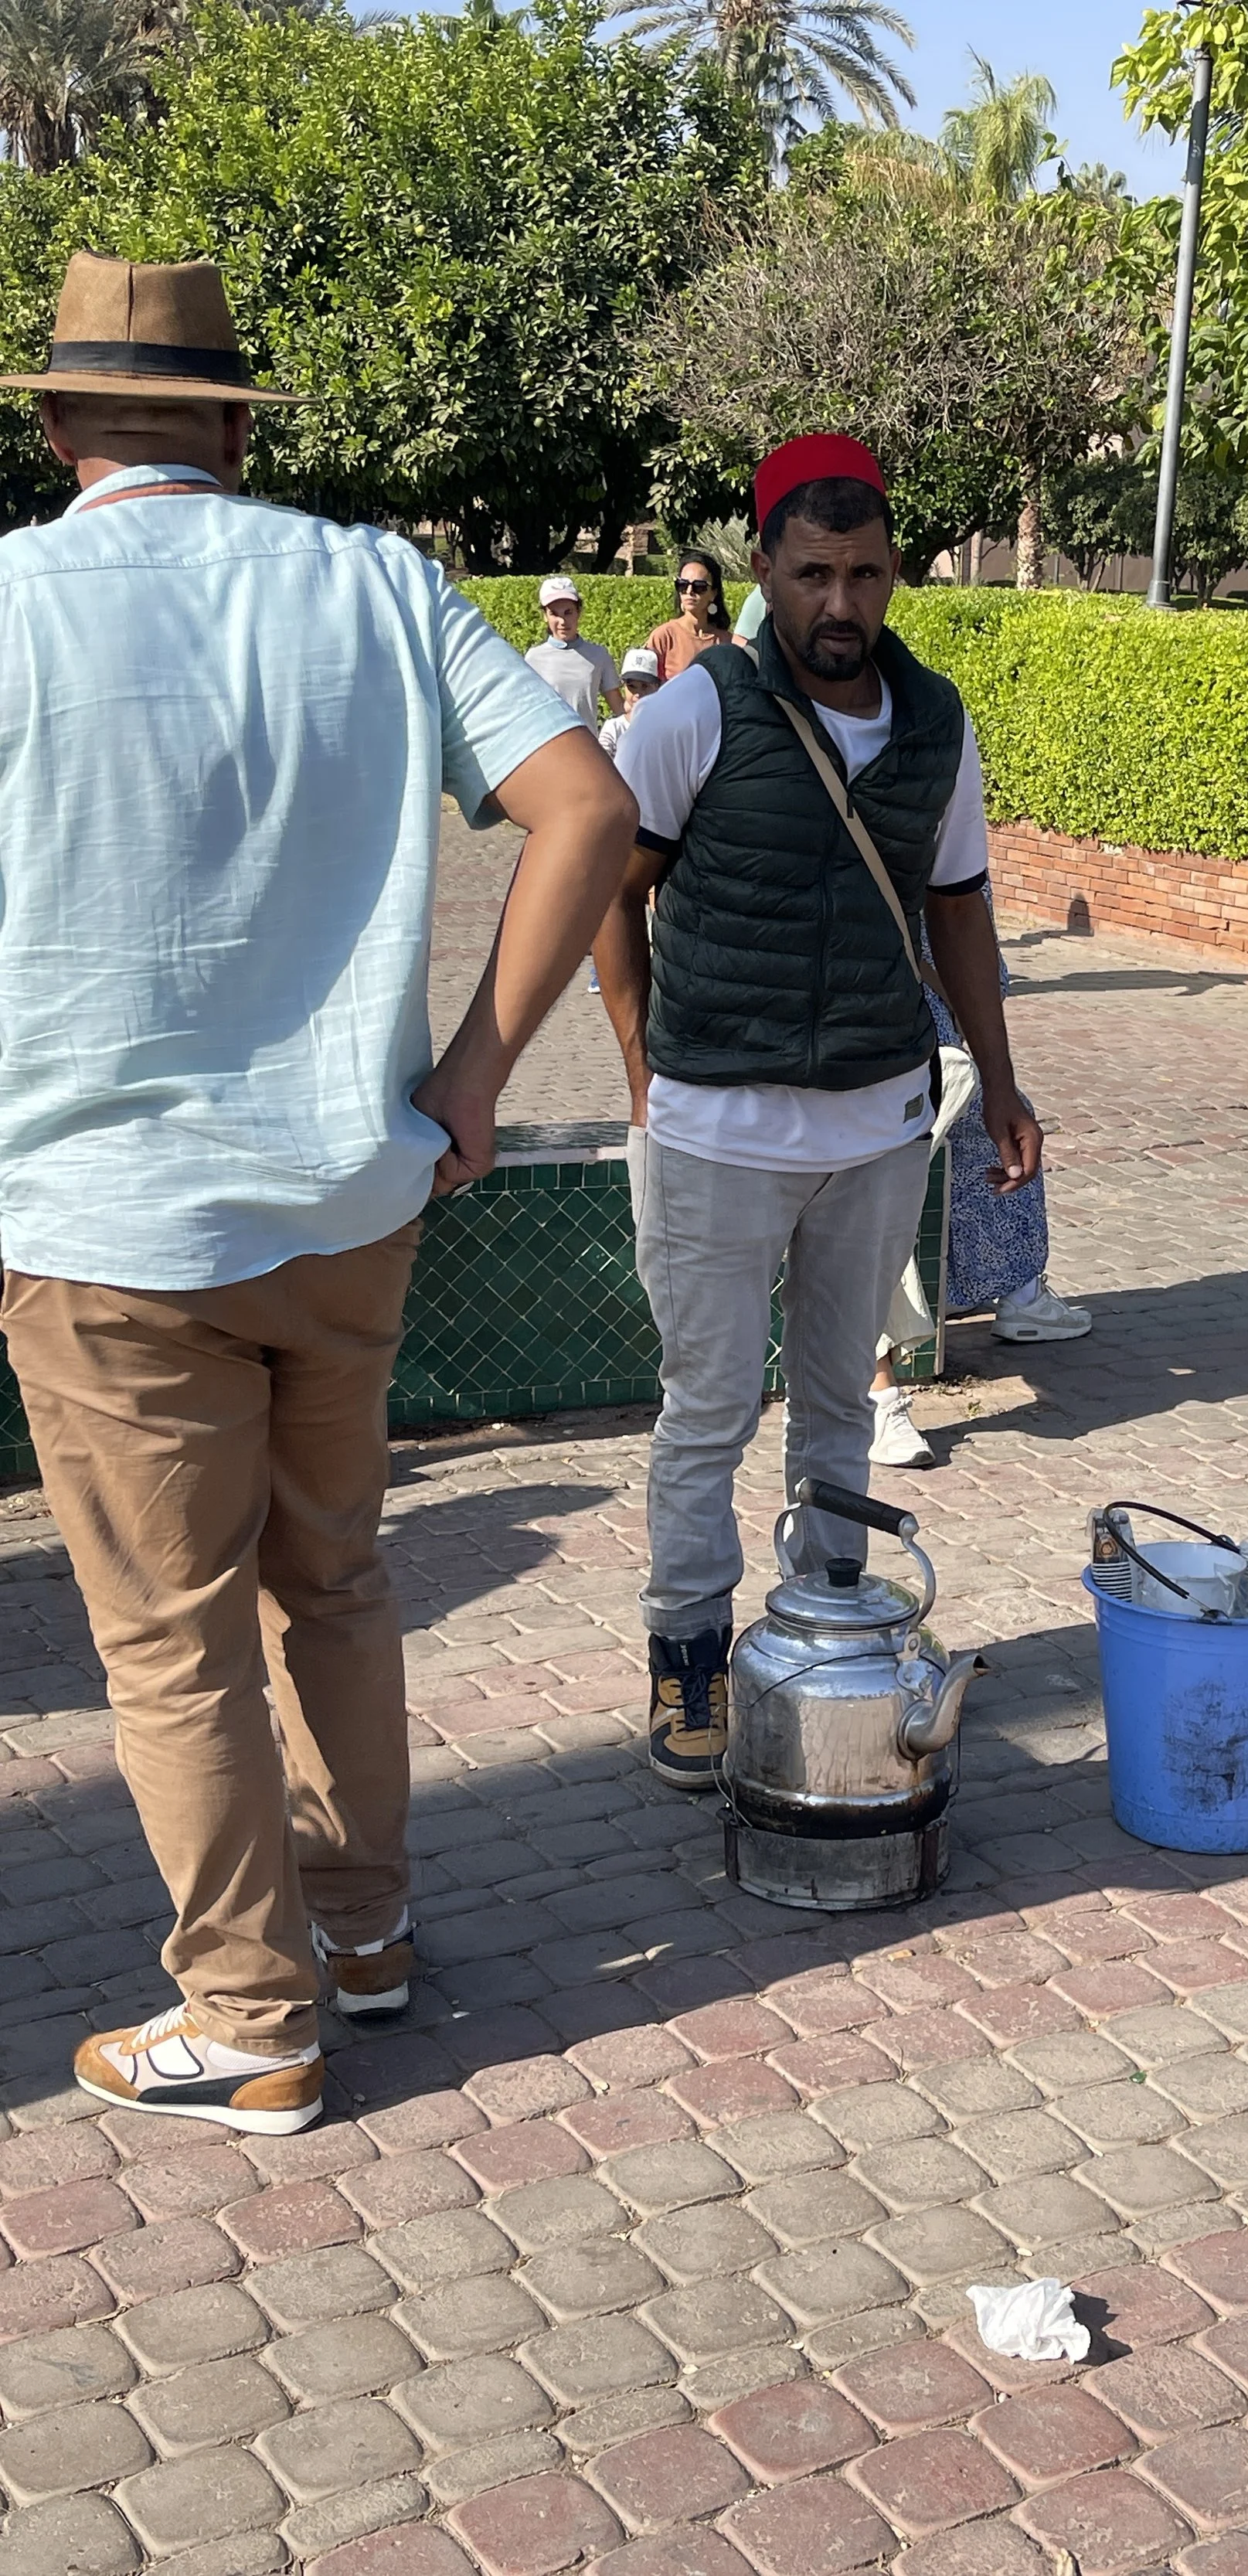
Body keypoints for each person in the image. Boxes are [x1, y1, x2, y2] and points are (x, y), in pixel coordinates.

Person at [0, 252, 637, 2133]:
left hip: (100, 1226)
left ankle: (249, 2012)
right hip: (351, 1201)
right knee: (335, 1581)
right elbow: (585, 807)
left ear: (54, 428)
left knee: (169, 1639)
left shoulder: (11, 607)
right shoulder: (376, 581)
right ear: (227, 420)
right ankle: (362, 1933)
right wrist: (473, 1077)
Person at [597, 432, 1042, 1786]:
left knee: (841, 1403)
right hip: (714, 1135)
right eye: (810, 575)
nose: (838, 604)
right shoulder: (697, 713)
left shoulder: (937, 721)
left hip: (878, 1129)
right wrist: (638, 1069)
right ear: (762, 573)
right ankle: (690, 1662)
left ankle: (831, 1628)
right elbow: (612, 886)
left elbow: (956, 903)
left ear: (895, 572)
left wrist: (1004, 1082)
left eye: (863, 573)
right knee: (709, 1410)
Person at [869, 893, 1090, 1471]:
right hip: (849, 1016)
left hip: (919, 1031)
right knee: (865, 1179)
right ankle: (878, 1384)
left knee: (970, 1140)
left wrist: (996, 1075)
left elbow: (962, 921)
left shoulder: (943, 813)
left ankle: (1012, 1291)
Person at [525, 573, 622, 725]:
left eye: (568, 612)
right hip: (548, 746)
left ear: (579, 612)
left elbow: (620, 709)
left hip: (586, 745)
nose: (563, 621)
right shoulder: (533, 658)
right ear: (545, 616)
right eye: (554, 614)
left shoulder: (599, 656)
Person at [648, 547, 733, 682]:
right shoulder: (663, 637)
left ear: (714, 593)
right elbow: (643, 687)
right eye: (682, 585)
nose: (689, 591)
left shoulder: (726, 641)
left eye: (699, 586)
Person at [598, 646, 661, 754]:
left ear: (656, 687)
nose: (638, 693)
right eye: (631, 686)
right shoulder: (614, 728)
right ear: (623, 687)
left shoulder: (665, 727)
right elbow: (601, 762)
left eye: (645, 686)